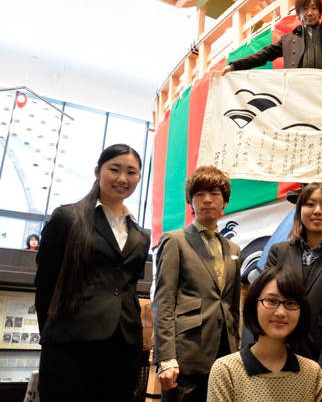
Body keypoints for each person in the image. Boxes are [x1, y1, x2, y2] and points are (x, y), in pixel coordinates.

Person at [34, 144, 150, 402]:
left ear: (139, 178)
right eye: (114, 169)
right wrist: (52, 335)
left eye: (131, 172)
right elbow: (45, 284)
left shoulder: (141, 235)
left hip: (124, 347)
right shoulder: (67, 218)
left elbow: (128, 287)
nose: (122, 179)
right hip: (70, 344)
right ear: (97, 172)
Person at [153, 166, 242, 402]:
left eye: (214, 193)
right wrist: (166, 359)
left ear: (225, 201)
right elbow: (163, 302)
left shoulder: (233, 249)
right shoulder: (175, 241)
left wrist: (236, 350)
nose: (207, 200)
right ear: (191, 202)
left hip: (224, 357)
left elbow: (233, 306)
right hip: (185, 356)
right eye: (199, 194)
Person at [265, 182, 322, 375]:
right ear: (300, 210)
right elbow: (267, 305)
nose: (317, 211)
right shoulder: (278, 252)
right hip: (278, 357)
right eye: (310, 204)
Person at [207, 266, 322, 402]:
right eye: (271, 301)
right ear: (254, 305)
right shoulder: (226, 370)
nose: (281, 312)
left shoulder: (312, 373)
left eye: (291, 303)